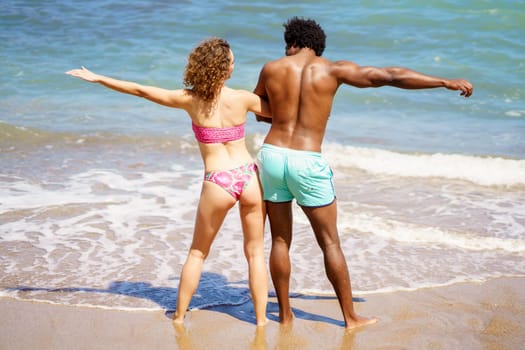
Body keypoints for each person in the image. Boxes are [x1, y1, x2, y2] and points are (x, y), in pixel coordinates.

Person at [253, 17, 473, 330]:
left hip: (272, 155)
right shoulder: (332, 69)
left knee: (279, 240)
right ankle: (350, 317)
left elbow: (260, 108)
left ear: (293, 42)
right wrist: (443, 82)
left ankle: (285, 315)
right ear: (317, 46)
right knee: (329, 243)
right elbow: (390, 76)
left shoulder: (271, 68)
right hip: (307, 159)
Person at [66, 37, 271, 326]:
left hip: (219, 180)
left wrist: (99, 78)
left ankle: (178, 316)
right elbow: (283, 111)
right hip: (248, 176)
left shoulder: (189, 100)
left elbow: (141, 90)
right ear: (225, 69)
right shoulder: (243, 99)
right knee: (255, 253)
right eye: (232, 62)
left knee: (198, 253)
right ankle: (261, 321)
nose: (234, 65)